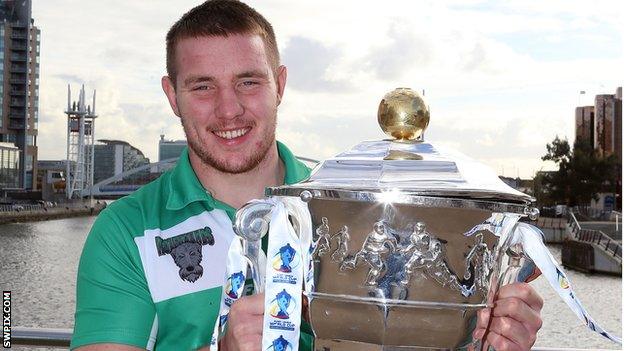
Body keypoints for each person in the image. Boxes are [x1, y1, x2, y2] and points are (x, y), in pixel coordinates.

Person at [70, 1, 543, 351]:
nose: (229, 109)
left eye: (248, 82)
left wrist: (480, 340)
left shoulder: (357, 214)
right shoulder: (125, 231)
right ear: (172, 96)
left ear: (281, 84)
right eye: (202, 87)